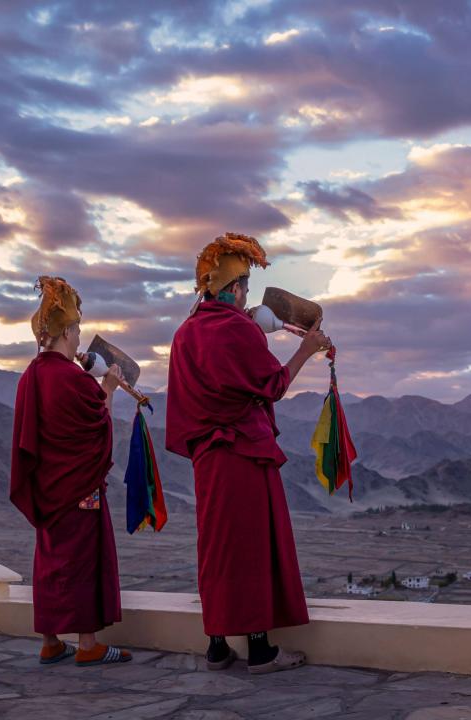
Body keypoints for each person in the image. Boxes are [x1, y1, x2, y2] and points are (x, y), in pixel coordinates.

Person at [166, 232, 331, 674]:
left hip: (207, 459)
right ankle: (260, 649)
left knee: (217, 545)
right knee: (251, 545)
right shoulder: (237, 327)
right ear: (236, 289)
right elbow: (272, 386)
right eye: (245, 290)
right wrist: (306, 349)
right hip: (242, 454)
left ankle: (217, 645)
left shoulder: (184, 334)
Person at [10, 276, 132, 667]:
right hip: (80, 489)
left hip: (47, 489)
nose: (80, 338)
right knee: (82, 561)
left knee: (50, 561)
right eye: (77, 329)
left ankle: (49, 640)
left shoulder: (31, 376)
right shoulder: (73, 379)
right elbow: (97, 430)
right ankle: (87, 643)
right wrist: (110, 389)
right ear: (64, 331)